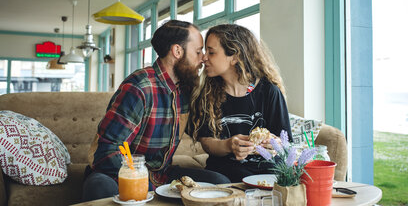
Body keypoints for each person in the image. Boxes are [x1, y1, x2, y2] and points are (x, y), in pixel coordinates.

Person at [82, 20, 230, 202]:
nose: (203, 58)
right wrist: (149, 186)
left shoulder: (185, 89)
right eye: (198, 52)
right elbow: (106, 153)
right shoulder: (139, 87)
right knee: (99, 186)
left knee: (220, 181)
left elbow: (200, 131)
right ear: (177, 51)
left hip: (163, 175)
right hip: (122, 174)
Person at [188, 24, 293, 183]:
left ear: (235, 57)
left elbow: (286, 143)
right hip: (225, 172)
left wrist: (274, 143)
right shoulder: (207, 93)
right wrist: (229, 145)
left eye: (211, 52)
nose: (204, 58)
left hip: (267, 171)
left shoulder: (269, 92)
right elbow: (206, 142)